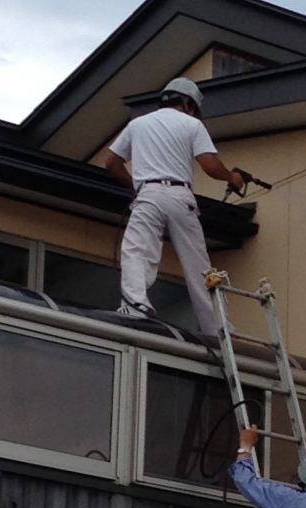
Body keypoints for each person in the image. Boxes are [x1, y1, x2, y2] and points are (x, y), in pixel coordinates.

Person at [105, 77, 244, 334]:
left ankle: (136, 305)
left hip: (148, 194)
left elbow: (112, 163)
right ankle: (217, 327)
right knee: (198, 265)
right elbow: (210, 165)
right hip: (181, 196)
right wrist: (231, 177)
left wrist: (135, 187)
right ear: (187, 102)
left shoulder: (138, 124)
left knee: (137, 251)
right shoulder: (192, 125)